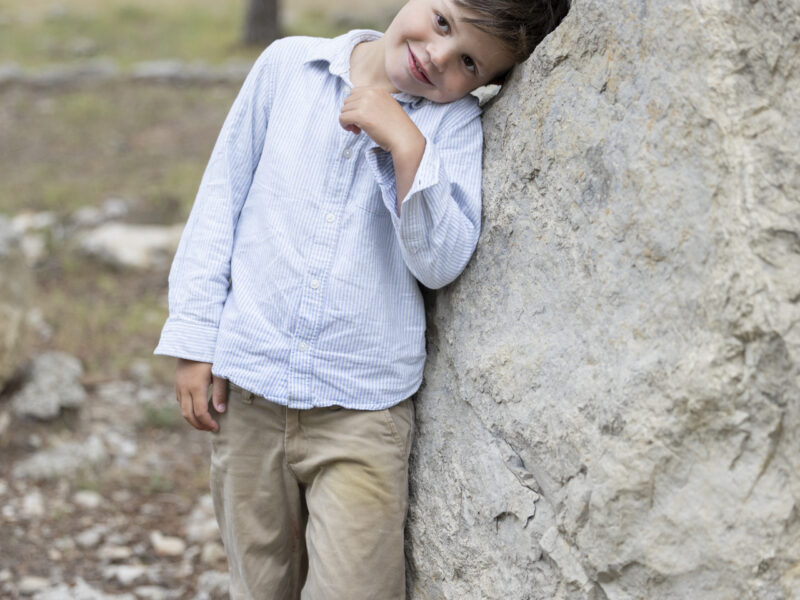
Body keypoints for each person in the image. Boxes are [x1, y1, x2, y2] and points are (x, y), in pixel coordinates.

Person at [154, 0, 570, 597]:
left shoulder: (450, 126)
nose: (436, 56)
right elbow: (219, 202)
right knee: (259, 581)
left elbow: (440, 262)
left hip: (362, 414)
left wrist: (406, 147)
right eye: (443, 22)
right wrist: (193, 339)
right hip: (247, 389)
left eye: (469, 64)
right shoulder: (288, 66)